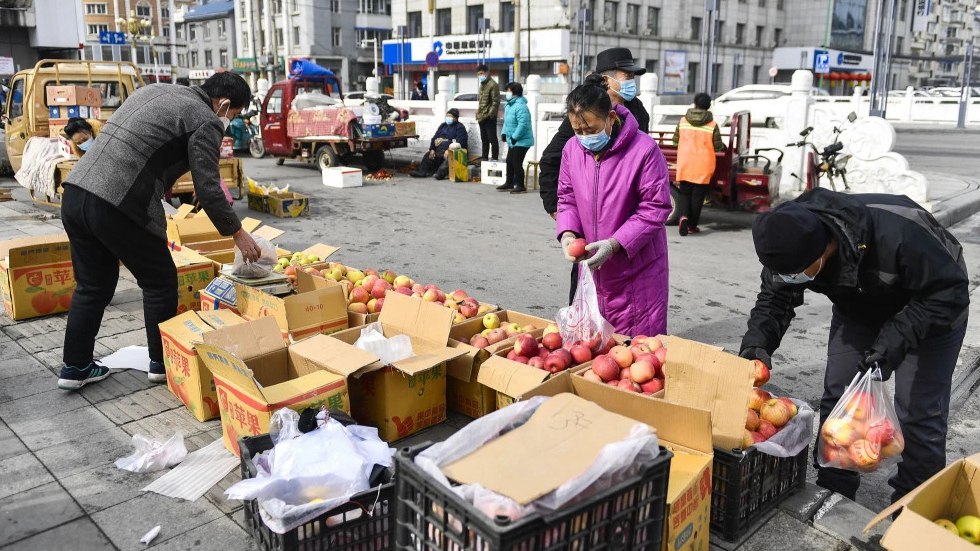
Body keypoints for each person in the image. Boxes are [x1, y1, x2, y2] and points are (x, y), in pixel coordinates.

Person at [739, 188, 969, 503]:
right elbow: (775, 298)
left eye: (794, 273)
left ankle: (914, 505)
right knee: (840, 397)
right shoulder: (787, 233)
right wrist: (756, 348)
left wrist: (888, 348)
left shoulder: (899, 232)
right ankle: (833, 491)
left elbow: (949, 292)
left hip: (932, 308)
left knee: (918, 413)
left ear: (822, 252)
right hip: (859, 310)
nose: (785, 277)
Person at [57, 72, 261, 390]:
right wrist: (238, 233)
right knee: (160, 281)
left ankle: (75, 366)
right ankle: (161, 364)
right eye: (232, 115)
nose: (228, 122)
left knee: (93, 285)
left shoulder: (155, 90)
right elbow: (208, 187)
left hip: (75, 193)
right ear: (223, 104)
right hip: (118, 201)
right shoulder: (206, 118)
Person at [556, 76, 671, 337]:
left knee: (635, 352)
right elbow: (566, 197)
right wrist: (568, 233)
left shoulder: (644, 150)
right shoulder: (571, 150)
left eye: (591, 129)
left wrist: (614, 244)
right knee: (595, 352)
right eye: (578, 131)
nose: (585, 137)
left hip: (637, 269)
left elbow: (655, 208)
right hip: (595, 269)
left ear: (610, 117)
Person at [539, 47, 651, 303]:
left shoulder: (638, 111)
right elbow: (551, 160)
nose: (631, 83)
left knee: (630, 298)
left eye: (633, 77)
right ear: (606, 79)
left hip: (629, 221)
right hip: (591, 224)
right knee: (585, 293)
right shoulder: (585, 112)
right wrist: (561, 215)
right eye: (626, 76)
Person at [672, 93, 725, 236]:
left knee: (684, 194)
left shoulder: (683, 121)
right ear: (708, 106)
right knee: (697, 197)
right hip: (703, 166)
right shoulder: (712, 125)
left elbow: (675, 141)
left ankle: (683, 216)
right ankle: (692, 226)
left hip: (685, 163)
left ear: (695, 104)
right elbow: (718, 147)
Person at [409, 108, 468, 179]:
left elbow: (461, 142)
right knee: (428, 155)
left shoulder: (460, 127)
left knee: (451, 157)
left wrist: (449, 150)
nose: (448, 118)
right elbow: (434, 138)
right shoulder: (443, 125)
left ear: (456, 118)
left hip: (452, 152)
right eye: (447, 116)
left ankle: (439, 174)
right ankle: (422, 172)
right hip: (439, 151)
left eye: (450, 116)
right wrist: (432, 149)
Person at [497, 82, 534, 194]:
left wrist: (514, 137)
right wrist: (504, 134)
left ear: (515, 92)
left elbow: (523, 124)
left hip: (522, 141)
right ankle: (509, 183)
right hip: (513, 140)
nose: (507, 93)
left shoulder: (521, 106)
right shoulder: (509, 105)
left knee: (516, 162)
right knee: (509, 160)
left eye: (509, 90)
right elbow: (507, 123)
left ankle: (520, 186)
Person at [476, 64, 500, 162]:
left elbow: (495, 102)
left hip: (489, 117)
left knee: (492, 139)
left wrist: (490, 115)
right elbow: (481, 101)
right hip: (481, 116)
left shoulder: (493, 84)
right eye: (478, 74)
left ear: (487, 72)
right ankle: (484, 158)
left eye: (482, 73)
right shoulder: (482, 84)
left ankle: (494, 158)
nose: (480, 76)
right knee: (484, 139)